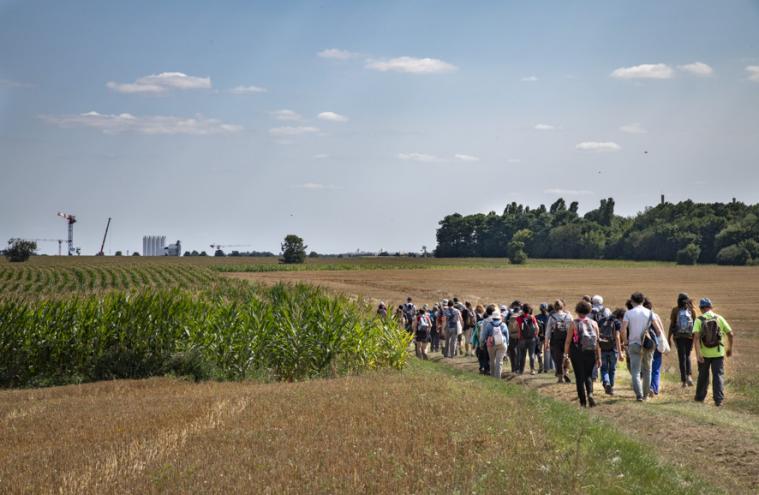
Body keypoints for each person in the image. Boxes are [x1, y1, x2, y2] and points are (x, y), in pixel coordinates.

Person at [620, 292, 663, 402]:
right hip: (647, 344)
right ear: (643, 301)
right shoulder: (649, 313)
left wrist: (625, 342)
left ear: (632, 301)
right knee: (647, 370)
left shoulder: (628, 313)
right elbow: (658, 330)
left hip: (633, 344)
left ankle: (638, 395)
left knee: (635, 371)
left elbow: (623, 330)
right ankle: (645, 395)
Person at [693, 298, 734, 407]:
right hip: (718, 353)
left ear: (701, 308)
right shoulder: (719, 318)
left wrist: (698, 354)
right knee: (718, 376)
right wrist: (729, 348)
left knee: (703, 376)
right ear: (711, 307)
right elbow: (731, 334)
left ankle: (699, 398)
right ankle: (718, 401)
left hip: (704, 354)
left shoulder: (699, 320)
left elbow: (696, 338)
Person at [564, 300, 601, 407]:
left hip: (577, 352)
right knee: (588, 375)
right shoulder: (594, 323)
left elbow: (567, 341)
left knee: (579, 378)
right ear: (588, 311)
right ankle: (590, 394)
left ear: (577, 310)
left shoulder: (573, 323)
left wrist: (565, 355)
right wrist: (599, 357)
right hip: (591, 352)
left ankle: (583, 402)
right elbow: (598, 342)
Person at [668, 293, 698, 387]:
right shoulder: (692, 310)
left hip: (678, 336)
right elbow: (695, 324)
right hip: (689, 336)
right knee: (687, 355)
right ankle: (689, 377)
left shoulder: (675, 310)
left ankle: (684, 381)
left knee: (682, 357)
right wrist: (695, 338)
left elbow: (672, 324)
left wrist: (668, 338)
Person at [644, 298, 669, 397]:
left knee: (646, 368)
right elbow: (661, 331)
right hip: (656, 344)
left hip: (645, 345)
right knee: (656, 369)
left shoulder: (641, 316)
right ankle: (653, 388)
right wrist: (663, 343)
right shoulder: (656, 316)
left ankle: (647, 388)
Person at [598, 308, 625, 395]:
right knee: (612, 369)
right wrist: (620, 352)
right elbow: (617, 337)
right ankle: (611, 387)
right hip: (613, 349)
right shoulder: (616, 322)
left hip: (602, 348)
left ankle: (606, 383)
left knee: (604, 368)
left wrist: (597, 351)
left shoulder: (600, 321)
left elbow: (597, 337)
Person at [545, 299, 572, 383]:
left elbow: (548, 331)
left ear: (555, 308)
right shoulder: (568, 316)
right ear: (562, 306)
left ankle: (560, 377)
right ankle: (566, 371)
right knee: (566, 356)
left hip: (555, 340)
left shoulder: (552, 317)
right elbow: (572, 328)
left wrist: (546, 342)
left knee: (558, 359)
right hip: (567, 339)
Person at [483, 309, 509, 378]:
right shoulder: (503, 324)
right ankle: (498, 377)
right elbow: (507, 336)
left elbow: (485, 335)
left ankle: (492, 376)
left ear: (493, 317)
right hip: (502, 344)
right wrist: (507, 344)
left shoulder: (489, 325)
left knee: (492, 361)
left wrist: (485, 341)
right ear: (499, 317)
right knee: (499, 361)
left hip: (491, 344)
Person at [516, 303, 540, 375]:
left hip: (522, 339)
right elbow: (537, 328)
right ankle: (532, 370)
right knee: (531, 355)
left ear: (523, 310)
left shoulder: (519, 318)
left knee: (522, 356)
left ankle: (521, 371)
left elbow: (518, 329)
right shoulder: (532, 317)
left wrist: (519, 337)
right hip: (532, 339)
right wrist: (535, 335)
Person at [474, 304, 493, 374]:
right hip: (497, 340)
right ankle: (494, 370)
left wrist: (481, 343)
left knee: (486, 356)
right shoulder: (498, 319)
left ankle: (487, 370)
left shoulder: (485, 321)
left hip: (487, 341)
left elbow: (483, 333)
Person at [506, 301, 522, 373]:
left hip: (511, 336)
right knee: (519, 352)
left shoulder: (510, 315)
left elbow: (505, 323)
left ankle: (513, 368)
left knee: (512, 353)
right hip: (520, 336)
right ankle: (518, 368)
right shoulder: (521, 316)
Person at [536, 303, 550, 373]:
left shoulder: (537, 317)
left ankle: (541, 366)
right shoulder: (550, 317)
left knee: (540, 352)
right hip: (547, 337)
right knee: (546, 352)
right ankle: (545, 368)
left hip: (540, 337)